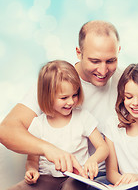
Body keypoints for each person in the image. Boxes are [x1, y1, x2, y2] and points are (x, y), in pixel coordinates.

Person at [0, 20, 122, 178]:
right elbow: (6, 130)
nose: (103, 70)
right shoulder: (56, 81)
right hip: (54, 176)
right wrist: (48, 149)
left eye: (111, 60)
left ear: (118, 51)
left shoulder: (126, 80)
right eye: (95, 61)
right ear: (79, 53)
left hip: (97, 178)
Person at [9, 60, 109, 190]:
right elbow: (32, 160)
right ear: (47, 97)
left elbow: (103, 147)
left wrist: (93, 160)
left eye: (75, 95)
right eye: (64, 98)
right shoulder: (38, 124)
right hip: (46, 178)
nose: (71, 102)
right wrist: (31, 170)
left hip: (77, 178)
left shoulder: (83, 117)